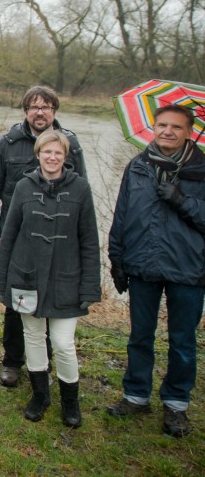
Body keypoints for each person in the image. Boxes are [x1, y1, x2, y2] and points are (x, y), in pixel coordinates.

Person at [106, 104, 205, 438]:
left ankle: (176, 404)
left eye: (176, 127)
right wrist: (116, 259)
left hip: (188, 269)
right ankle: (136, 395)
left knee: (182, 341)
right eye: (162, 125)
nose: (167, 132)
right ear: (153, 127)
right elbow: (121, 215)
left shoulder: (202, 169)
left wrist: (181, 200)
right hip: (143, 265)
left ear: (189, 132)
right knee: (139, 336)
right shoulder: (138, 166)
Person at [0, 130, 101, 428]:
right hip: (26, 277)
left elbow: (90, 240)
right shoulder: (24, 187)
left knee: (63, 343)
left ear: (66, 157)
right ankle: (40, 395)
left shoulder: (80, 189)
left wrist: (90, 285)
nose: (52, 158)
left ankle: (70, 401)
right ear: (37, 154)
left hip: (67, 279)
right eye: (46, 152)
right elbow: (9, 234)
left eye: (58, 154)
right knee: (33, 337)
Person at [0, 85, 87, 388]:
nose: (40, 112)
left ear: (55, 111)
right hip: (16, 241)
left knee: (54, 300)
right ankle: (12, 361)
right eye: (34, 106)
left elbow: (83, 195)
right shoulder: (6, 144)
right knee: (17, 303)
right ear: (25, 111)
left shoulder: (71, 146)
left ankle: (45, 363)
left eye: (47, 106)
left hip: (59, 243)